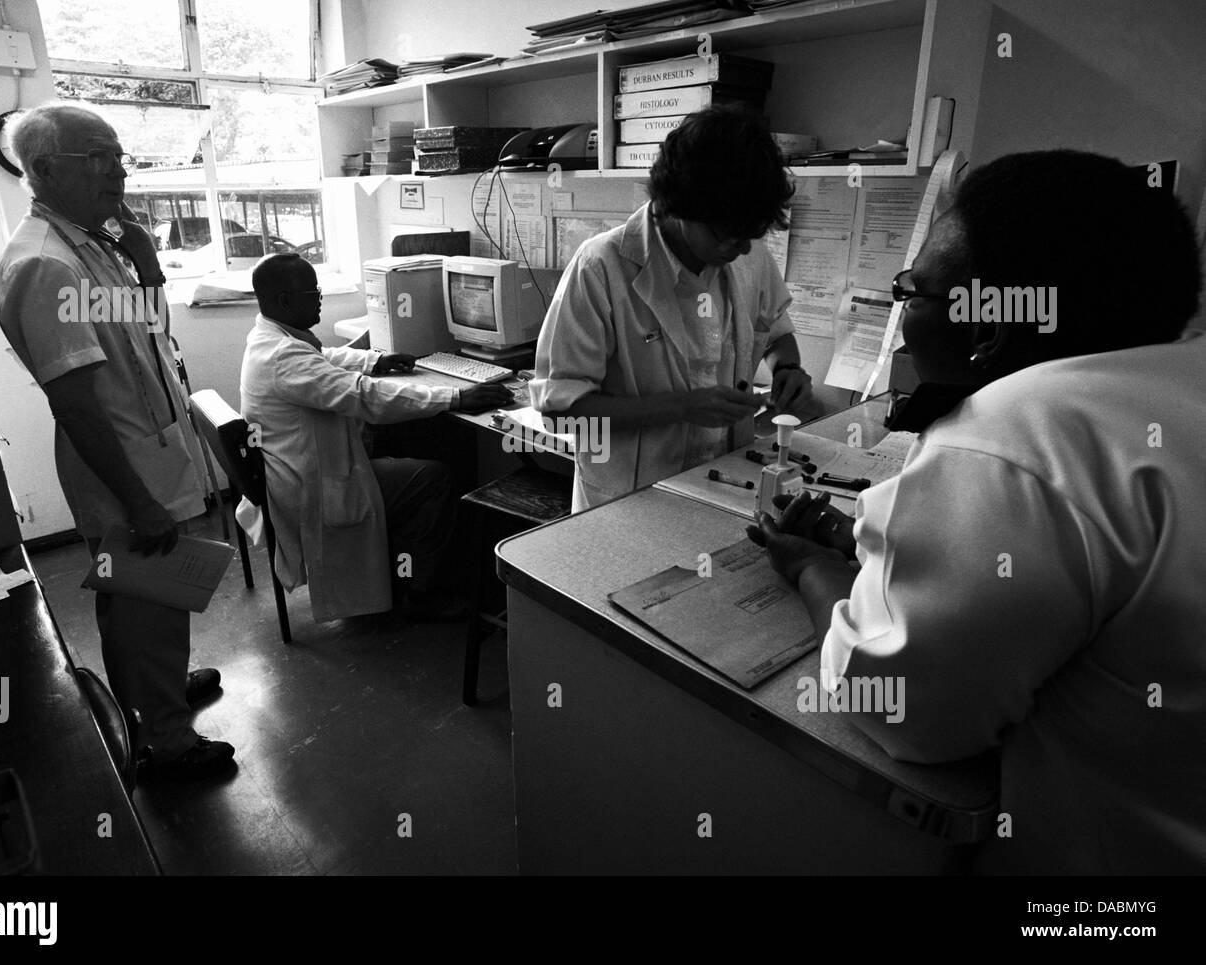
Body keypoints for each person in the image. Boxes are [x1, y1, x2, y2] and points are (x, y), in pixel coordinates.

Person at [750, 149, 1206, 873]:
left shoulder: (1017, 431)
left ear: (987, 326)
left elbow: (900, 705)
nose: (902, 320)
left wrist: (812, 570)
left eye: (910, 293)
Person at [0, 103, 233, 780]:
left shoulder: (92, 245)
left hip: (148, 453)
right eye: (97, 156)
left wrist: (148, 262)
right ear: (43, 169)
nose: (119, 168)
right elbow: (74, 403)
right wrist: (138, 499)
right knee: (141, 601)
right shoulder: (48, 265)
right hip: (126, 472)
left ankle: (157, 689)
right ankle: (164, 742)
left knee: (148, 599)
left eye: (119, 154)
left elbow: (149, 332)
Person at [530, 106, 822, 512]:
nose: (741, 249)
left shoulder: (743, 251)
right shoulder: (600, 267)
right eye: (728, 237)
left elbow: (774, 329)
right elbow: (561, 414)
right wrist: (682, 408)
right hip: (630, 504)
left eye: (752, 236)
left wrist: (788, 368)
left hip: (726, 484)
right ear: (676, 207)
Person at [238, 253, 512, 623]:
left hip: (296, 471)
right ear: (285, 301)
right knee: (433, 480)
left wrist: (374, 361)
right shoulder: (283, 357)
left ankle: (401, 571)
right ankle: (417, 591)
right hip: (314, 487)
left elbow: (323, 359)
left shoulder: (269, 337)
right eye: (312, 291)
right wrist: (456, 396)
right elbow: (364, 397)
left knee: (404, 449)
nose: (319, 297)